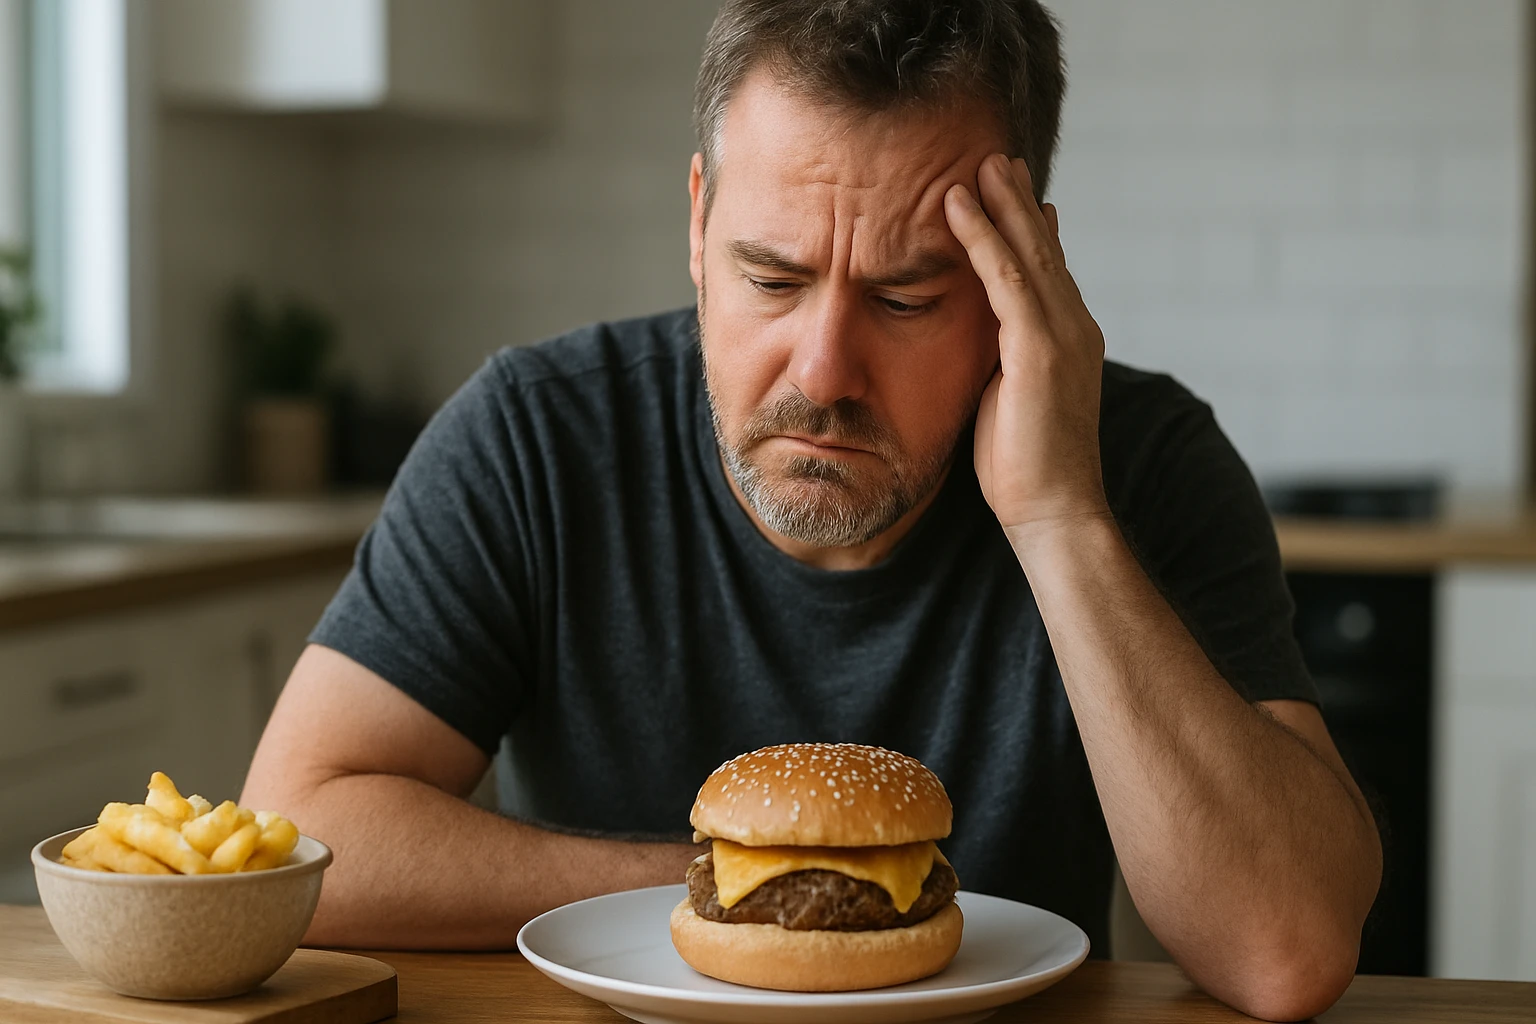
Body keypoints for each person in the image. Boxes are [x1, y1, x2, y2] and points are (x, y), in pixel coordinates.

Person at [242, 1, 1382, 1018]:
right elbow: (301, 845)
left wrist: (1061, 521)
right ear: (699, 225)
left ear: (1019, 273)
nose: (824, 372)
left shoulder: (1144, 461)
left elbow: (1287, 951)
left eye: (905, 297)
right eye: (772, 280)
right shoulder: (534, 435)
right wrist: (755, 887)